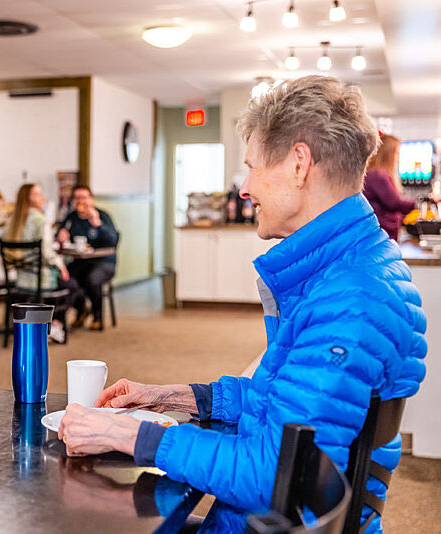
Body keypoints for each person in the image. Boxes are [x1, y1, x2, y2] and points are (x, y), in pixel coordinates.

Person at [58, 76, 427, 534]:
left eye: (253, 167)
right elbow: (285, 407)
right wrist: (171, 397)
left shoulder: (349, 302)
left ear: (299, 164)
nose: (245, 188)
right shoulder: (347, 273)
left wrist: (127, 433)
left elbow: (273, 475)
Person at [4, 183, 78, 344]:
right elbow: (47, 252)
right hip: (41, 280)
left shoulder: (12, 220)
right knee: (71, 285)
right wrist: (61, 265)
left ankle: (42, 323)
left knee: (62, 283)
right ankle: (54, 324)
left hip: (22, 280)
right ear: (29, 198)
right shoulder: (41, 220)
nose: (43, 197)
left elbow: (1, 248)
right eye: (38, 194)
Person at [57, 185, 119, 330]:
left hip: (104, 262)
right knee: (64, 279)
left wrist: (98, 224)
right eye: (77, 198)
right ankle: (81, 309)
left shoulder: (102, 216)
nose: (81, 201)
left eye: (84, 198)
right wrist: (60, 237)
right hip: (80, 261)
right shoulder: (71, 218)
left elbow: (113, 241)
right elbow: (59, 235)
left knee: (92, 279)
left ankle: (97, 317)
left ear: (91, 199)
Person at [362, 133, 441, 241]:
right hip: (383, 230)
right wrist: (424, 201)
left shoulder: (376, 173)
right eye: (396, 153)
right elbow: (394, 203)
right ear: (388, 153)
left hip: (381, 229)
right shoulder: (378, 175)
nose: (397, 158)